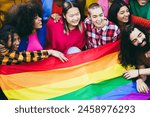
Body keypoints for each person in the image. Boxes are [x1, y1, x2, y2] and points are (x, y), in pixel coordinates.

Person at [0, 25, 68, 65]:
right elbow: (25, 57)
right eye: (13, 40)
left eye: (18, 39)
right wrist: (50, 52)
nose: (18, 43)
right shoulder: (3, 51)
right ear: (3, 41)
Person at [118, 24, 150, 93]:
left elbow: (140, 71)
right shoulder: (137, 53)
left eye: (140, 35)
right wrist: (140, 80)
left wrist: (138, 72)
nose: (140, 41)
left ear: (143, 32)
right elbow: (143, 72)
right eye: (134, 40)